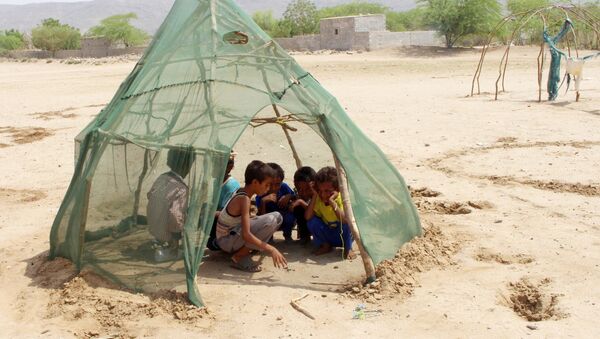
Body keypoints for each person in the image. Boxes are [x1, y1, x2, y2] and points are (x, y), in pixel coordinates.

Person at [216, 160, 288, 272]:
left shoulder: (243, 194)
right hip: (226, 241)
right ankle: (239, 256)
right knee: (271, 220)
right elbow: (246, 235)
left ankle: (244, 251)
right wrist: (271, 249)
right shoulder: (244, 199)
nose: (268, 188)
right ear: (255, 182)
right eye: (266, 184)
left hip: (229, 237)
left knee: (277, 217)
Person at [146, 147, 196, 262]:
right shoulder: (181, 188)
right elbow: (175, 215)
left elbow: (150, 195)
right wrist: (176, 239)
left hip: (153, 227)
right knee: (183, 215)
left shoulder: (162, 178)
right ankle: (170, 248)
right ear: (186, 166)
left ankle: (162, 241)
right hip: (164, 231)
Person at [304, 166, 355, 260]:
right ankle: (325, 246)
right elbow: (308, 217)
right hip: (330, 235)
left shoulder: (342, 199)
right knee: (312, 222)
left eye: (327, 191)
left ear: (337, 190)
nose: (323, 195)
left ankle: (348, 248)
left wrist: (332, 202)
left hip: (344, 236)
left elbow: (344, 220)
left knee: (347, 222)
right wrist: (315, 195)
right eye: (320, 191)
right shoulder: (319, 199)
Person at [207, 150, 240, 251]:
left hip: (227, 224)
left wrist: (208, 213)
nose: (212, 168)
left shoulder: (231, 185)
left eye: (215, 165)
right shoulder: (217, 181)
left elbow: (227, 214)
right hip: (218, 219)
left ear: (229, 167)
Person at [255, 162, 295, 242]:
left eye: (277, 184)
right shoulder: (261, 193)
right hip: (269, 221)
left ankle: (287, 235)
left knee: (290, 216)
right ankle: (269, 238)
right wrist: (263, 202)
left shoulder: (284, 187)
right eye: (270, 184)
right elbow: (261, 216)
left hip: (284, 218)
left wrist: (289, 196)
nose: (274, 188)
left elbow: (295, 196)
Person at [290, 166, 317, 244]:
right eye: (299, 189)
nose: (303, 193)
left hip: (323, 226)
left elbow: (316, 213)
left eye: (307, 189)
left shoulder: (320, 194)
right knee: (298, 208)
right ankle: (304, 237)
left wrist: (301, 202)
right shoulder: (298, 194)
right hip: (310, 223)